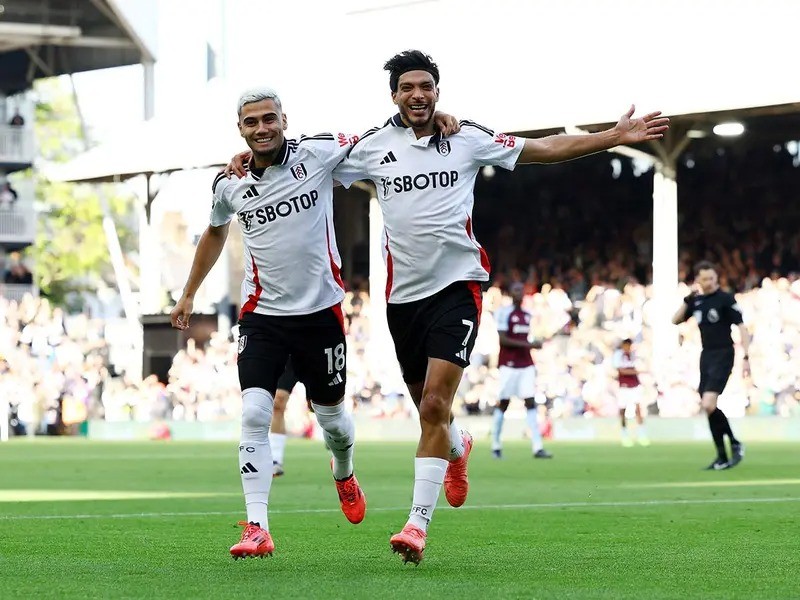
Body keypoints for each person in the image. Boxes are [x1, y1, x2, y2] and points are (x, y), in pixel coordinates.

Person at [228, 50, 668, 564]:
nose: (418, 94)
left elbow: (544, 148)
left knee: (435, 405)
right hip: (402, 300)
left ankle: (416, 526)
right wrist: (249, 159)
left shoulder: (466, 138)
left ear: (437, 92)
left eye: (426, 86)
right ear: (394, 96)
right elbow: (296, 162)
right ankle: (458, 447)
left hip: (458, 289)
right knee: (428, 408)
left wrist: (611, 136)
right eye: (407, 87)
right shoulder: (371, 148)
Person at [171, 88, 374, 560]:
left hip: (320, 314)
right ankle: (257, 526)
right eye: (252, 122)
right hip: (262, 316)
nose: (261, 128)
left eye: (269, 119)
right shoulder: (229, 183)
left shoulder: (319, 153)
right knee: (255, 413)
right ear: (240, 130)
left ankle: (344, 472)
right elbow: (215, 231)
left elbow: (380, 140)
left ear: (284, 120)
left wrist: (428, 121)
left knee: (332, 420)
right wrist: (188, 292)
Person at [672, 261, 750, 470]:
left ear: (716, 278)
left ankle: (734, 443)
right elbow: (675, 320)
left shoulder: (725, 299)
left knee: (708, 403)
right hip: (706, 355)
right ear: (698, 279)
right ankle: (722, 456)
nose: (708, 282)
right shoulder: (696, 301)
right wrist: (687, 301)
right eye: (704, 279)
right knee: (709, 408)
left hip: (724, 353)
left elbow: (742, 327)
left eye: (711, 278)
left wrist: (746, 357)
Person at [490, 282, 553, 459]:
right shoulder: (503, 312)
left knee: (530, 402)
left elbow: (527, 336)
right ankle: (496, 445)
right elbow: (503, 340)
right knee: (504, 402)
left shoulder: (527, 315)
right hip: (508, 364)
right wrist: (529, 345)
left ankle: (537, 447)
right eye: (516, 290)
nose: (519, 293)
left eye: (521, 290)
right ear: (510, 293)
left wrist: (535, 342)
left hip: (526, 363)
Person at [269, 358, 315, 477]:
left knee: (316, 406)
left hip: (312, 353)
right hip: (288, 357)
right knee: (278, 402)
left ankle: (335, 445)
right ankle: (275, 460)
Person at [612, 338, 649, 447]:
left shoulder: (634, 355)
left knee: (638, 409)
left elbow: (642, 366)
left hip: (635, 386)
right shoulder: (618, 355)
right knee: (623, 410)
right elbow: (621, 370)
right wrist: (635, 371)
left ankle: (642, 435)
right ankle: (624, 434)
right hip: (624, 387)